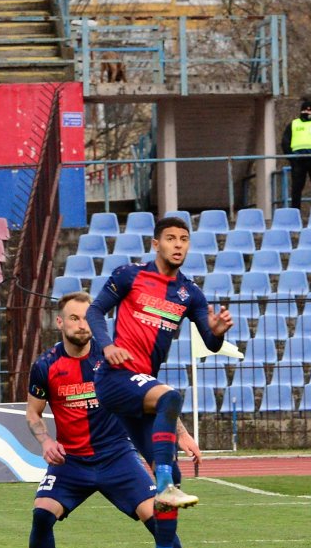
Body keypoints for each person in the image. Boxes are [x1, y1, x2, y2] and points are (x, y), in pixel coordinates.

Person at [14, 292, 207, 548]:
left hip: (117, 456)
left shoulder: (114, 360)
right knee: (42, 516)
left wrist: (183, 434)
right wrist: (46, 441)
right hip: (72, 462)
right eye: (73, 318)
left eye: (87, 318)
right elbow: (33, 413)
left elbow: (153, 396)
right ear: (60, 322)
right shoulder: (45, 366)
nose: (81, 324)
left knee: (158, 519)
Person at [88, 216, 234, 510]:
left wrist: (217, 333)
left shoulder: (190, 293)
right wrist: (108, 346)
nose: (177, 245)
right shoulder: (129, 275)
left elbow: (210, 343)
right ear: (156, 244)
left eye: (183, 239)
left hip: (139, 387)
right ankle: (164, 483)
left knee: (175, 482)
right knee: (170, 396)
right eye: (170, 238)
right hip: (115, 377)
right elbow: (95, 311)